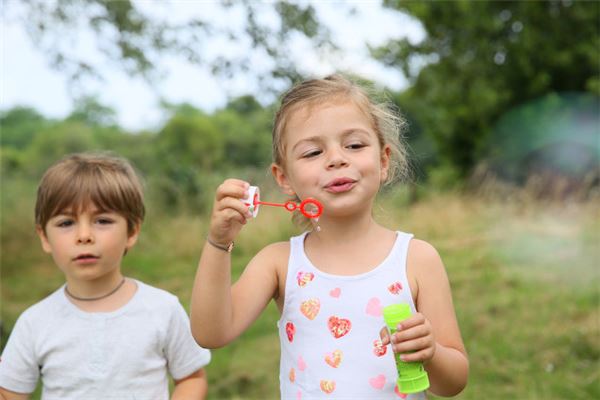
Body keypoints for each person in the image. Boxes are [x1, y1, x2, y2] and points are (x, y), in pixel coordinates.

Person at [190, 74, 468, 399]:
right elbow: (211, 332)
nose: (337, 158)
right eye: (312, 152)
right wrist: (218, 243)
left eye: (354, 145)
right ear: (285, 179)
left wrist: (430, 352)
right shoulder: (279, 262)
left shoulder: (418, 259)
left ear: (383, 161)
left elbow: (454, 383)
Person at [0, 152, 211, 400]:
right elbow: (10, 392)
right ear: (44, 237)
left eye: (102, 220)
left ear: (132, 231)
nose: (84, 235)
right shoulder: (33, 323)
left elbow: (191, 378)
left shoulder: (163, 309)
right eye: (66, 223)